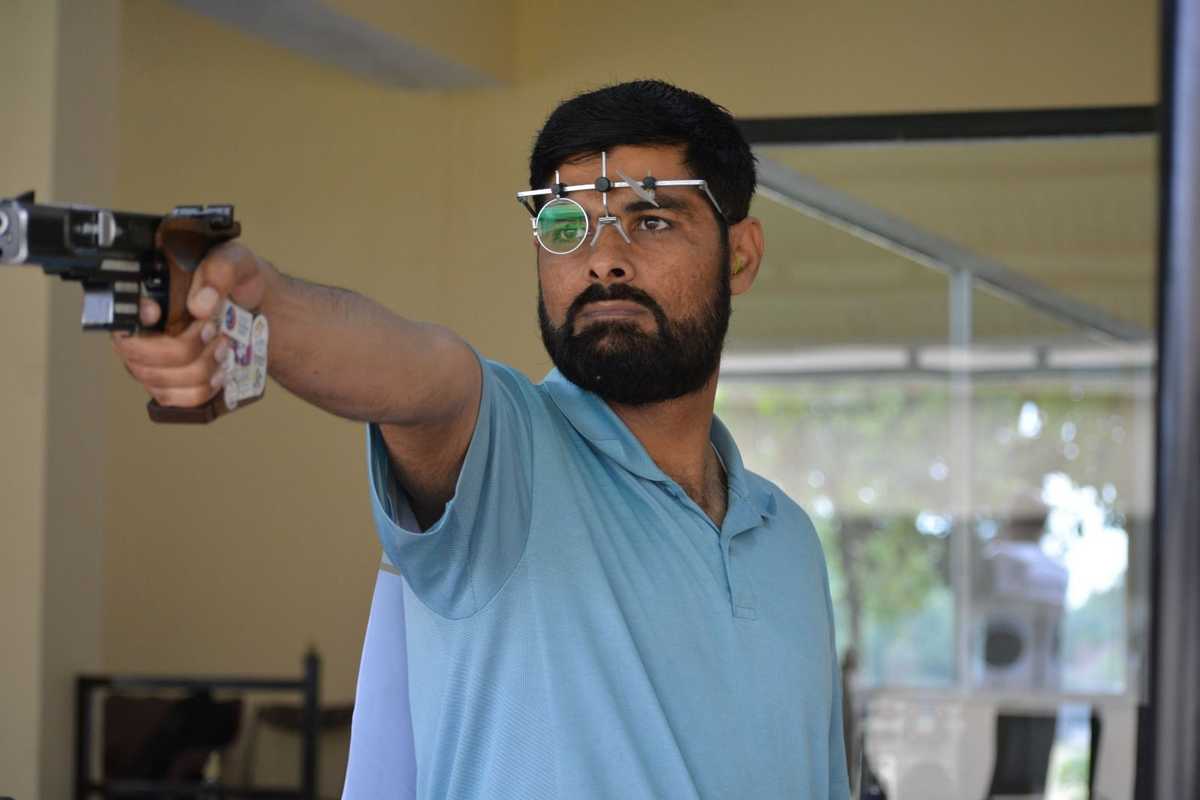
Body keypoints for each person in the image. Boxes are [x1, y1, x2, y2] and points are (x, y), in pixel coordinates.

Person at [111, 79, 850, 800]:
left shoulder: (787, 542)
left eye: (651, 220)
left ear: (742, 255)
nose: (602, 260)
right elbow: (424, 378)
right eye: (565, 226)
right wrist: (263, 309)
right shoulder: (508, 456)